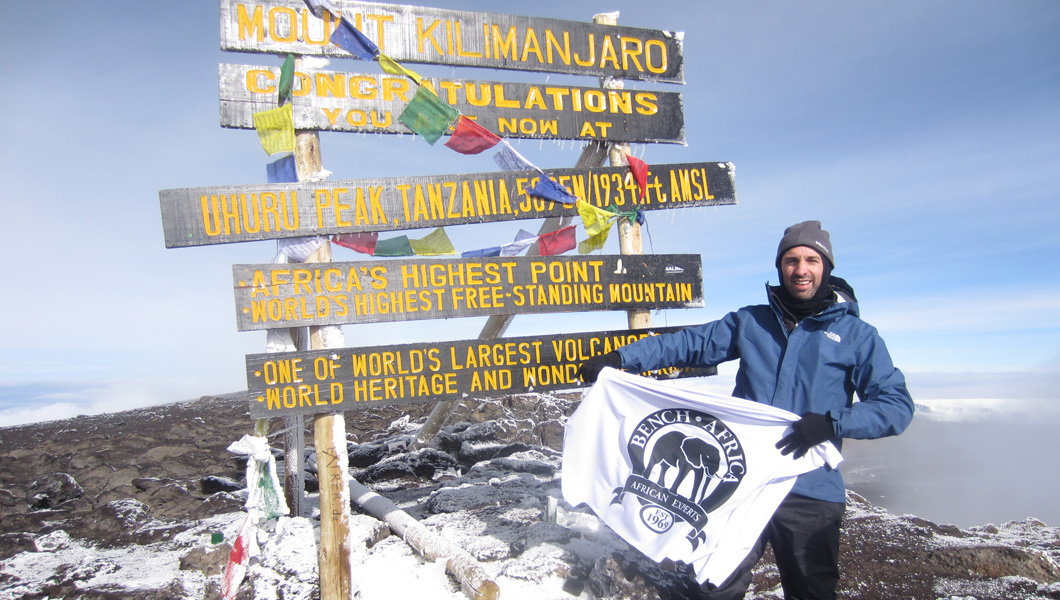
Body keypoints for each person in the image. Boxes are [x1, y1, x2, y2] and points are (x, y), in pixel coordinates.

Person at [576, 220, 914, 600]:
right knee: (714, 585)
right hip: (740, 482)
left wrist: (833, 424)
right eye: (791, 260)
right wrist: (623, 358)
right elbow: (690, 344)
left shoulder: (858, 336)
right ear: (779, 267)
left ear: (826, 267)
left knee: (812, 592)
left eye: (810, 260)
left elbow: (896, 406)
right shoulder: (751, 321)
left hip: (811, 488)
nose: (800, 269)